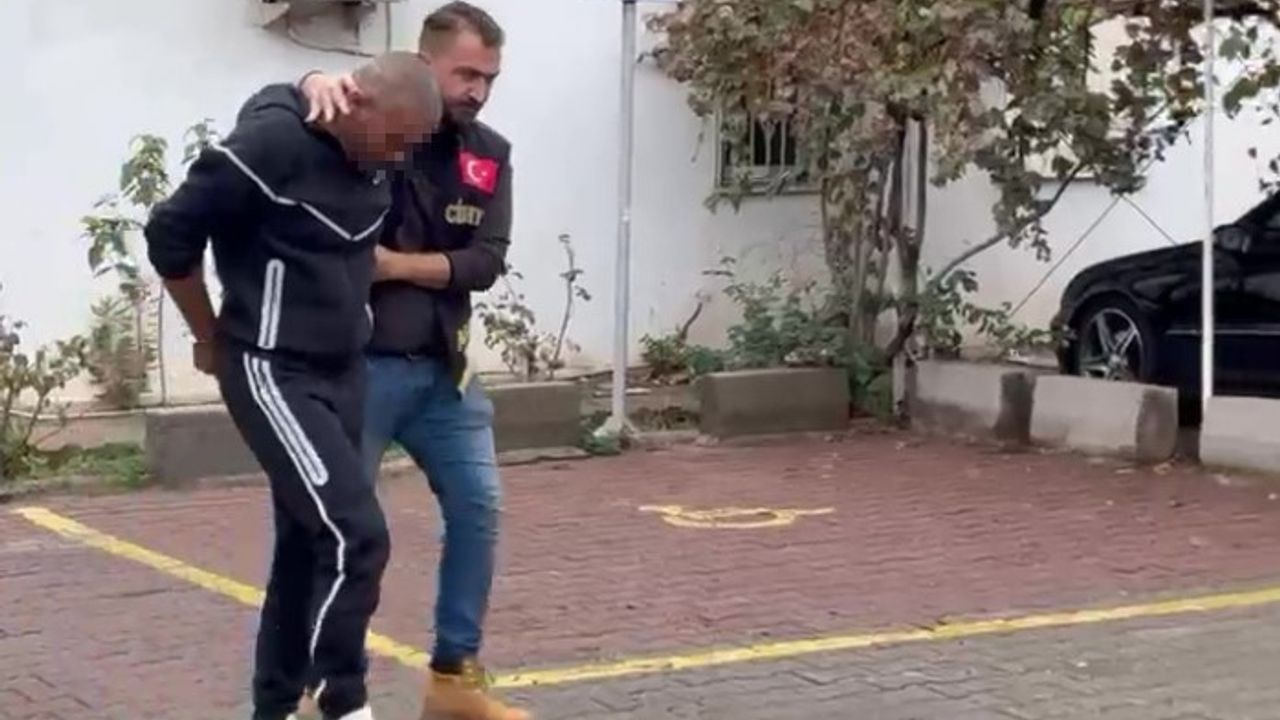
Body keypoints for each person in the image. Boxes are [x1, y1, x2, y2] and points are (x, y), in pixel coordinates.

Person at [144, 52, 443, 720]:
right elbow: (169, 233)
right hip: (272, 369)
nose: (398, 158)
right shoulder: (275, 141)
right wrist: (207, 335)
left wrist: (311, 83)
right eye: (394, 139)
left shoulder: (378, 155)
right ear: (356, 102)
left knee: (309, 545)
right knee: (357, 536)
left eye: (410, 146)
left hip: (346, 370)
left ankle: (276, 705)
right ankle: (342, 696)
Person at [299, 3, 524, 719]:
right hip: (359, 370)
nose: (477, 91)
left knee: (479, 508)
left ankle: (454, 681)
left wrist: (398, 264)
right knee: (339, 531)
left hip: (443, 373)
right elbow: (295, 122)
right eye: (466, 74)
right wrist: (309, 80)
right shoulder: (369, 128)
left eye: (489, 79)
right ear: (425, 64)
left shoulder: (489, 153)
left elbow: (486, 262)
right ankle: (322, 688)